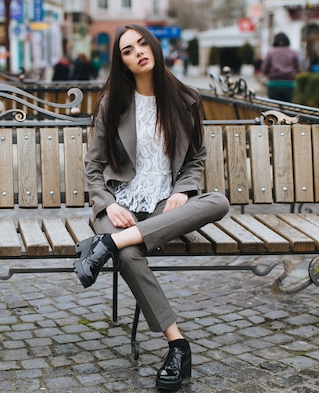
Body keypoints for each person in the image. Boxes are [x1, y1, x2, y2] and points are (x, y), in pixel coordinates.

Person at [73, 24, 230, 391]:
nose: (138, 52)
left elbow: (195, 159)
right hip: (120, 205)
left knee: (218, 201)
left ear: (155, 47)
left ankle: (106, 246)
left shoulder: (186, 98)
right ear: (123, 62)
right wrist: (108, 205)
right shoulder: (114, 102)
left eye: (142, 43)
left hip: (164, 204)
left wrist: (183, 191)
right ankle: (178, 345)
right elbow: (93, 166)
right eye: (128, 50)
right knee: (129, 256)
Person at [261, 32, 301, 102]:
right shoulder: (293, 52)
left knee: (274, 108)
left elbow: (264, 69)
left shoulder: (271, 52)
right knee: (287, 108)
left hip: (273, 84)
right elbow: (298, 68)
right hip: (289, 84)